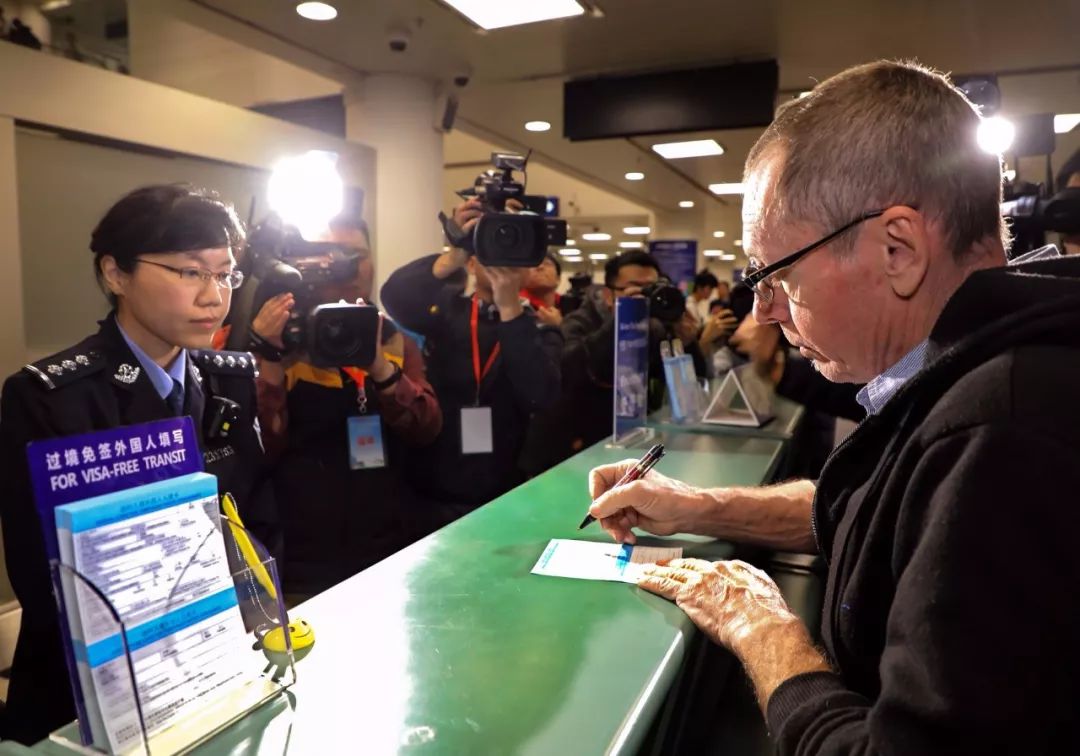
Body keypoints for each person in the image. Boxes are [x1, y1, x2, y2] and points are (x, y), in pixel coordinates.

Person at [587, 60, 1080, 753]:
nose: (762, 311)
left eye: (779, 274)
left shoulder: (1002, 434)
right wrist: (697, 508)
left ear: (897, 248)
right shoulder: (975, 367)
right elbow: (884, 510)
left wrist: (765, 633)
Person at [0, 184, 277, 744]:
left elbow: (255, 522)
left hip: (211, 663)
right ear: (116, 274)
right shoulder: (51, 396)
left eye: (224, 274)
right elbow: (41, 577)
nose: (214, 296)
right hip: (89, 690)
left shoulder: (229, 379)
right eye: (189, 272)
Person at [220, 214, 443, 598]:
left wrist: (379, 367)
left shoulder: (390, 338)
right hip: (301, 563)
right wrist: (268, 354)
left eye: (354, 254)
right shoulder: (280, 341)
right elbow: (258, 449)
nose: (342, 265)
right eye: (326, 254)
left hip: (389, 551)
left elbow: (426, 428)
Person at [380, 200, 562, 525]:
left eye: (511, 255)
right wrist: (456, 252)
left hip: (507, 488)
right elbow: (395, 295)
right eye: (486, 253)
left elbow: (540, 394)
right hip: (434, 485)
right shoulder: (446, 310)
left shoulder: (539, 325)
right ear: (472, 264)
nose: (499, 263)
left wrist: (510, 311)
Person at [519, 251, 703, 475]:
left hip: (626, 445)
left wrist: (687, 343)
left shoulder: (652, 326)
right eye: (637, 288)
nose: (646, 296)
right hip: (568, 452)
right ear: (608, 295)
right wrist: (621, 320)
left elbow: (687, 383)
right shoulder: (579, 322)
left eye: (653, 288)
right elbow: (574, 372)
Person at [521, 252, 563, 327]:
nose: (540, 267)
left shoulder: (570, 306)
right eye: (533, 264)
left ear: (558, 279)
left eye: (547, 264)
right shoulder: (516, 307)